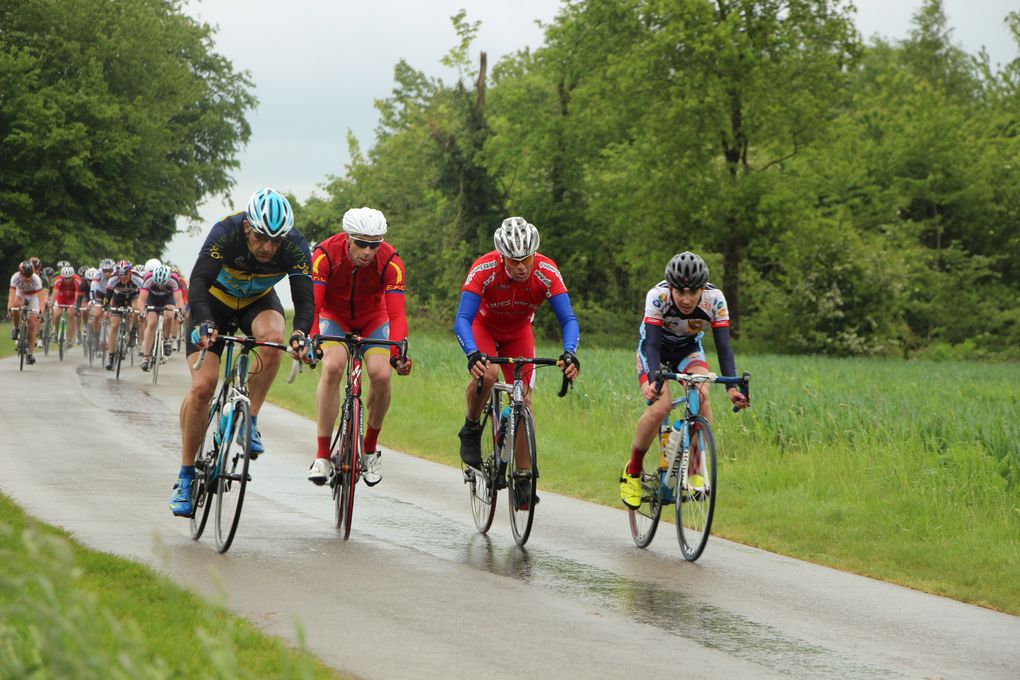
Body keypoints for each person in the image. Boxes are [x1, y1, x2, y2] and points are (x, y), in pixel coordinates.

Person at [169, 187, 313, 517]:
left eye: (276, 241)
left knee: (274, 339)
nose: (268, 247)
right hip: (213, 304)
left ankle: (250, 417)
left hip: (256, 301)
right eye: (262, 238)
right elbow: (199, 282)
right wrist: (204, 322)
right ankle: (186, 476)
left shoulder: (294, 245)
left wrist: (301, 335)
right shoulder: (226, 232)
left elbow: (304, 301)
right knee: (203, 388)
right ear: (248, 227)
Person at [453, 217, 580, 508]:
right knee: (489, 371)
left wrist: (569, 352)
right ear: (502, 257)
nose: (521, 267)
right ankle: (471, 428)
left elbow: (568, 319)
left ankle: (523, 477)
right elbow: (462, 319)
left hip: (519, 331)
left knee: (524, 397)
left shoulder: (547, 271)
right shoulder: (484, 268)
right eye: (513, 261)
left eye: (526, 259)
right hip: (483, 328)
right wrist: (473, 353)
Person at [618, 251, 748, 509]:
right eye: (680, 292)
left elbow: (724, 347)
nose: (687, 300)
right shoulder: (658, 296)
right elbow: (653, 343)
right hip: (654, 351)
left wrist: (732, 387)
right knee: (661, 407)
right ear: (671, 287)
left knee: (702, 395)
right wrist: (654, 381)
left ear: (703, 289)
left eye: (693, 292)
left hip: (688, 350)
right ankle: (632, 470)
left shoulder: (715, 300)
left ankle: (696, 468)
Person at [306, 207, 412, 486]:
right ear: (348, 238)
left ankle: (369, 449)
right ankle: (322, 455)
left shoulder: (390, 261)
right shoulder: (325, 255)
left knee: (381, 375)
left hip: (373, 318)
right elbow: (313, 307)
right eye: (361, 243)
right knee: (332, 367)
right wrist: (312, 340)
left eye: (374, 244)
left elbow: (397, 315)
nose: (368, 251)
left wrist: (398, 352)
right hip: (334, 316)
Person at [136, 265, 183, 372]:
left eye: (163, 284)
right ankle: (146, 357)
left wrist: (180, 312)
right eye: (158, 284)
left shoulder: (174, 279)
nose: (161, 287)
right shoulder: (148, 278)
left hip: (168, 298)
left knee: (169, 315)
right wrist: (142, 312)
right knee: (151, 323)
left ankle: (167, 340)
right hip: (152, 298)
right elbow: (141, 299)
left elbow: (179, 300)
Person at [103, 260, 144, 370]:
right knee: (114, 325)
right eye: (120, 275)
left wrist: (143, 310)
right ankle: (111, 357)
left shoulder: (137, 278)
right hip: (118, 297)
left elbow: (144, 296)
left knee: (136, 309)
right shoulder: (113, 279)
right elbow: (108, 296)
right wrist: (106, 309)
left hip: (133, 295)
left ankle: (134, 331)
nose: (123, 277)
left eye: (125, 274)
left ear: (130, 271)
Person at [7, 261, 44, 364]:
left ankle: (30, 354)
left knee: (32, 324)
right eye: (26, 276)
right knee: (16, 306)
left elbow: (41, 298)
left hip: (33, 296)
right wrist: (9, 308)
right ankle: (16, 328)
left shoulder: (36, 279)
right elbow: (11, 295)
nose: (28, 278)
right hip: (21, 293)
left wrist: (41, 312)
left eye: (30, 276)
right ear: (20, 273)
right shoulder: (15, 278)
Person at [49, 265, 82, 345]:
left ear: (73, 276)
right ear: (62, 277)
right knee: (57, 315)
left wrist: (76, 305)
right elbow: (55, 293)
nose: (67, 280)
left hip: (72, 299)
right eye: (65, 278)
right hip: (61, 298)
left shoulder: (77, 280)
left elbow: (77, 296)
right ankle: (56, 332)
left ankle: (69, 337)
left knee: (71, 314)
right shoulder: (58, 280)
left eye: (69, 278)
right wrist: (52, 302)